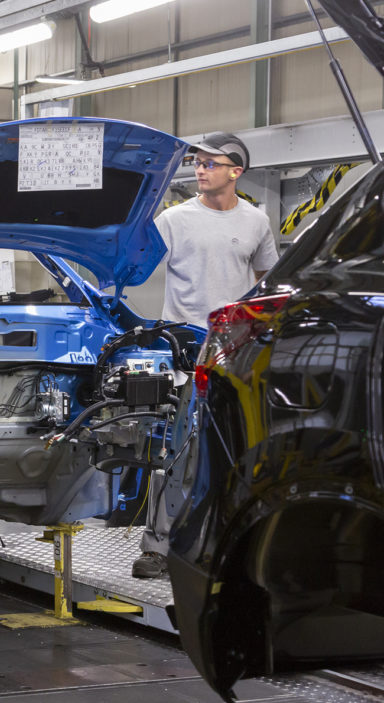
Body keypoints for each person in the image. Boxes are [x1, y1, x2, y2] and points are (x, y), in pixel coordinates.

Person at [132, 131, 279, 579]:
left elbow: (267, 282)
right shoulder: (174, 220)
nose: (200, 169)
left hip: (236, 351)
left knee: (237, 449)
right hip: (185, 349)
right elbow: (133, 267)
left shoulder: (256, 221)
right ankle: (158, 547)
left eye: (210, 163)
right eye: (197, 162)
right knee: (176, 450)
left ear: (236, 171)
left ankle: (228, 544)